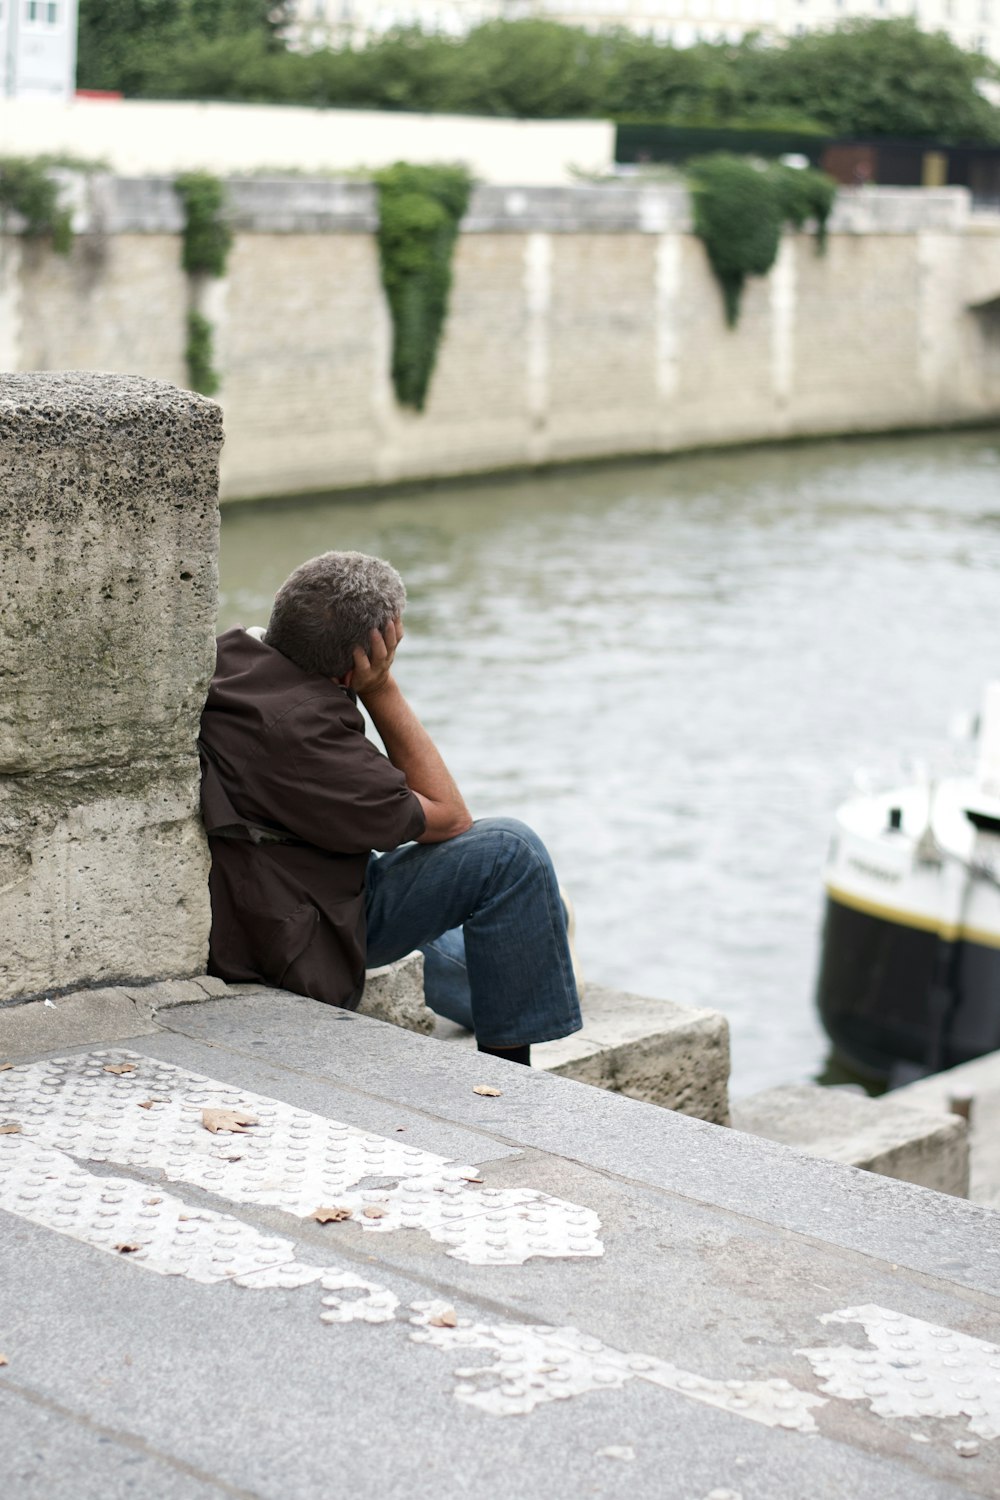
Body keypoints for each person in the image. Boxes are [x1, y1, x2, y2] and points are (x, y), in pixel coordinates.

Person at [198, 550, 582, 1067]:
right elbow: (450, 817)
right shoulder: (308, 735)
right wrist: (380, 688)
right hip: (305, 924)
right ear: (378, 647)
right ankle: (508, 1077)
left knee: (527, 919)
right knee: (512, 854)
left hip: (299, 879)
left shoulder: (232, 656)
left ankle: (540, 942)